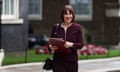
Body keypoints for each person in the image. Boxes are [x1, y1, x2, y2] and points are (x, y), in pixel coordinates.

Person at [50, 5, 84, 72]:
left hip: (71, 62)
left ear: (73, 15)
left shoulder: (77, 28)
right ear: (62, 15)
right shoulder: (56, 27)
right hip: (58, 61)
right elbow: (50, 43)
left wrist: (71, 44)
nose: (68, 16)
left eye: (70, 14)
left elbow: (81, 45)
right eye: (66, 14)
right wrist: (50, 47)